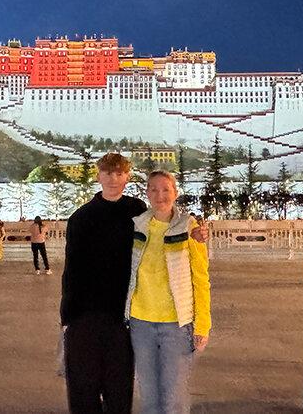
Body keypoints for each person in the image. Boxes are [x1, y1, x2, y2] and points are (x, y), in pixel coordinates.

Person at [60, 153, 208, 414]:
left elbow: (174, 227)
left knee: (125, 391)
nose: (113, 179)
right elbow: (72, 270)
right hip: (94, 316)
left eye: (119, 173)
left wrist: (196, 231)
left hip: (126, 318)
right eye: (108, 173)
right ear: (98, 176)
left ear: (127, 177)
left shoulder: (137, 212)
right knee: (87, 389)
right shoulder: (82, 218)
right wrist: (67, 317)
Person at [125, 171, 211, 413]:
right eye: (153, 189)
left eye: (165, 189)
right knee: (149, 395)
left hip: (176, 324)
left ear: (176, 193)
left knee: (173, 398)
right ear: (146, 193)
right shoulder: (138, 225)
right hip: (140, 322)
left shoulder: (189, 227)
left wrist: (203, 324)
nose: (159, 195)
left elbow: (201, 278)